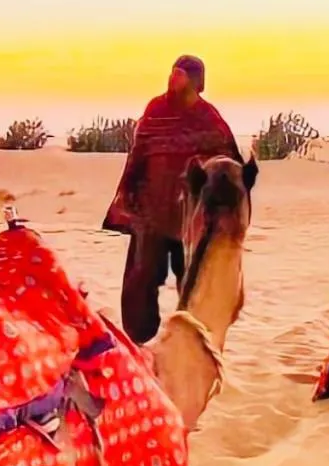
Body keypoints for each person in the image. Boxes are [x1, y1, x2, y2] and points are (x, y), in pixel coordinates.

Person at [103, 54, 243, 343]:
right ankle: (139, 342)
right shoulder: (156, 110)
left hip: (192, 218)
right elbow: (138, 154)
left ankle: (189, 345)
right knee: (141, 282)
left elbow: (229, 166)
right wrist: (128, 196)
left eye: (180, 74)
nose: (173, 79)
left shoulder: (209, 119)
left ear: (196, 81)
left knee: (193, 284)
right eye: (173, 72)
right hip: (152, 213)